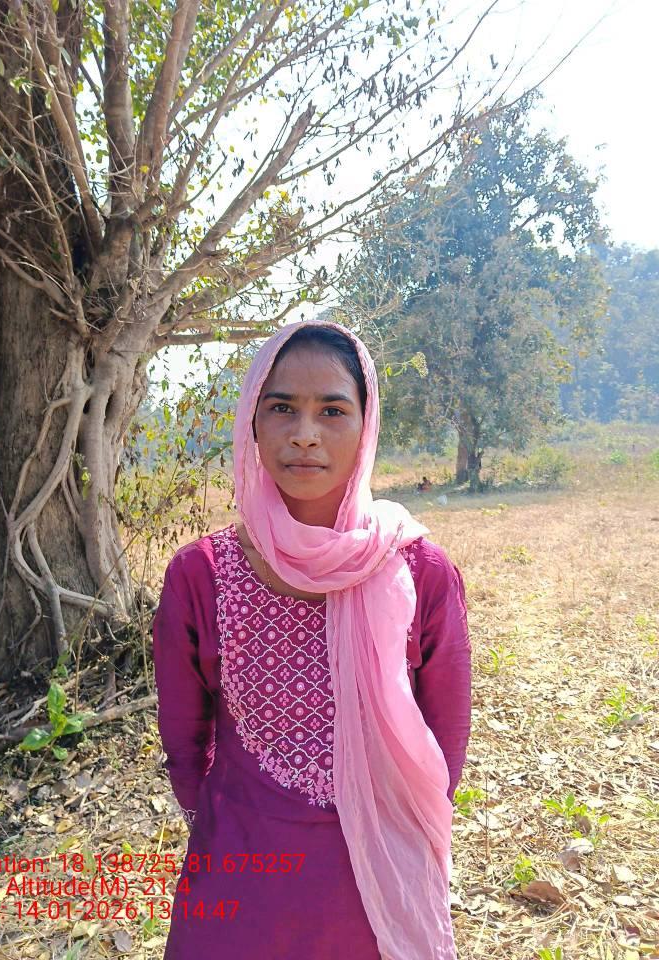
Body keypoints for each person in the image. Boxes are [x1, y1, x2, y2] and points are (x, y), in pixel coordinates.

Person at [152, 320, 471, 960]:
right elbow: (184, 747)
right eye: (281, 408)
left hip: (378, 889)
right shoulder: (200, 575)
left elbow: (445, 740)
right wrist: (230, 826)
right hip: (238, 883)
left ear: (365, 426)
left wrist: (394, 834)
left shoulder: (420, 573)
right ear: (252, 421)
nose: (305, 433)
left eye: (332, 410)